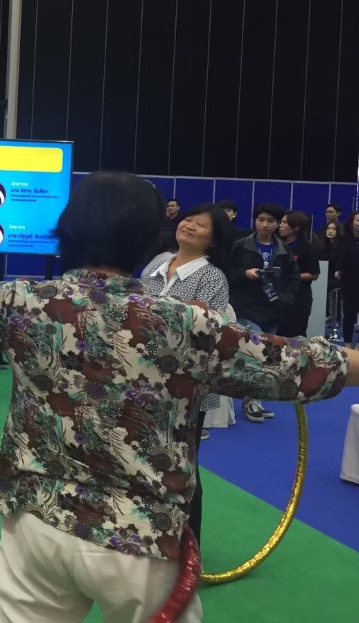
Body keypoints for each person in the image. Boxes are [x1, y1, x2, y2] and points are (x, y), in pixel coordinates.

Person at [0, 171, 359, 623]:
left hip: (36, 527)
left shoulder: (24, 300)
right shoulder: (186, 324)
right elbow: (305, 366)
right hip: (139, 540)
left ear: (68, 230)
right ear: (147, 240)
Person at [140, 204, 235, 547]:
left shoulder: (213, 278)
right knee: (143, 459)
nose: (190, 226)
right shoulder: (157, 263)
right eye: (188, 219)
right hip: (141, 380)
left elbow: (204, 331)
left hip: (186, 387)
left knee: (183, 468)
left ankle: (188, 549)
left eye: (201, 225)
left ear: (214, 240)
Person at [228, 202, 300, 423]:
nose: (265, 225)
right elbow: (228, 272)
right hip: (247, 308)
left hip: (273, 308)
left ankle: (255, 398)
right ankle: (251, 401)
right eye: (261, 220)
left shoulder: (283, 249)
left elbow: (293, 277)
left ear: (278, 223)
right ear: (255, 221)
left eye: (270, 221)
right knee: (256, 353)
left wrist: (286, 300)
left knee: (268, 357)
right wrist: (245, 273)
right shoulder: (241, 245)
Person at [278, 210, 321, 338]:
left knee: (295, 337)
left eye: (285, 222)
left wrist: (291, 276)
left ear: (296, 227)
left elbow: (314, 274)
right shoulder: (279, 245)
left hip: (299, 299)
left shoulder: (307, 247)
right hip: (280, 297)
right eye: (281, 222)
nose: (280, 225)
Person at [337, 211, 359, 346]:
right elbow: (340, 260)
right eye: (358, 220)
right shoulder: (345, 240)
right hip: (349, 283)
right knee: (349, 315)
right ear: (352, 223)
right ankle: (348, 345)